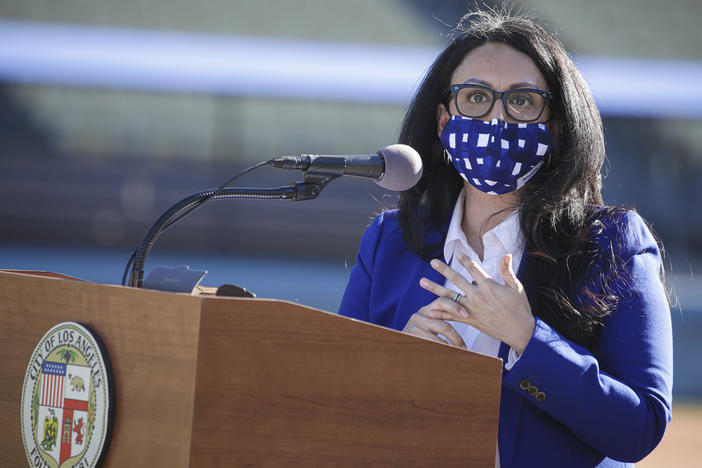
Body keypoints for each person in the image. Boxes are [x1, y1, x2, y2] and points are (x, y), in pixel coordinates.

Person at [338, 8, 673, 468]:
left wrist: (528, 339)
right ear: (442, 121)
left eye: (521, 101)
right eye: (475, 97)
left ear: (555, 125)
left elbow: (641, 427)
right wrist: (397, 360)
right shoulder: (388, 241)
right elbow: (333, 398)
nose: (496, 118)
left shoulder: (611, 243)